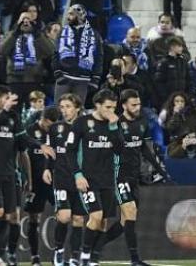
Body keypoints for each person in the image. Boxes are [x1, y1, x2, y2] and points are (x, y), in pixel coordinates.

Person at [0, 85, 52, 266]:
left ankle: (0, 256)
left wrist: (40, 146)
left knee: (9, 216)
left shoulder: (13, 117)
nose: (8, 101)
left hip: (9, 173)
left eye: (9, 98)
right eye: (5, 98)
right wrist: (4, 111)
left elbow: (23, 139)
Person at [96, 89, 167, 266]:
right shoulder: (115, 123)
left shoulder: (142, 122)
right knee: (130, 213)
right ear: (124, 105)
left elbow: (144, 149)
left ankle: (94, 247)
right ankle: (135, 260)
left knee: (124, 222)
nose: (137, 107)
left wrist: (160, 170)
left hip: (134, 177)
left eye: (139, 104)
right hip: (118, 175)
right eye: (133, 104)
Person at [69, 90, 124, 266]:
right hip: (88, 179)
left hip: (107, 179)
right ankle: (84, 255)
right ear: (98, 105)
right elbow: (70, 152)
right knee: (96, 215)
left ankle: (93, 258)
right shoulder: (81, 123)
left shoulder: (114, 124)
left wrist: (114, 127)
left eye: (114, 107)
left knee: (104, 221)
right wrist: (77, 175)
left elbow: (119, 149)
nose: (111, 111)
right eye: (108, 107)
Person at [44, 93, 86, 266]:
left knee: (78, 219)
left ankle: (75, 256)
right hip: (61, 178)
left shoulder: (86, 127)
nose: (65, 110)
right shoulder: (55, 128)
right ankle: (59, 251)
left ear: (77, 108)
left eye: (68, 106)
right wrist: (47, 168)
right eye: (62, 107)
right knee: (63, 217)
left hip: (80, 179)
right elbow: (50, 150)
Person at [24, 107, 59, 266]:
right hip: (36, 182)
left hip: (54, 181)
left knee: (63, 215)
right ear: (42, 118)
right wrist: (27, 179)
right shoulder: (30, 130)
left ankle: (58, 254)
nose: (48, 127)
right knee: (34, 217)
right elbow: (24, 156)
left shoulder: (56, 132)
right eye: (47, 123)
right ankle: (35, 257)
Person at [0, 12, 55, 107]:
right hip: (15, 81)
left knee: (34, 111)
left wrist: (37, 33)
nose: (26, 22)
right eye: (23, 20)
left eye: (29, 20)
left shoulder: (39, 36)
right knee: (15, 110)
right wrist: (15, 33)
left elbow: (50, 51)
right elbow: (2, 50)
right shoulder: (11, 35)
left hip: (35, 81)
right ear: (18, 22)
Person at [53, 4, 104, 103]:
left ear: (81, 15)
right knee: (59, 110)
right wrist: (57, 71)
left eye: (71, 14)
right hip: (64, 78)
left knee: (78, 112)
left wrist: (96, 78)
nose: (68, 17)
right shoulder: (63, 32)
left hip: (83, 80)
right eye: (68, 14)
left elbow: (98, 57)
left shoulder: (94, 35)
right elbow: (56, 54)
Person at [153, 36, 191, 109]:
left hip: (182, 99)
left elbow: (189, 80)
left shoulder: (183, 62)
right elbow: (159, 82)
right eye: (179, 46)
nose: (182, 49)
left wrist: (188, 95)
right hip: (168, 100)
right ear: (172, 47)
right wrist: (167, 97)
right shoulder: (163, 62)